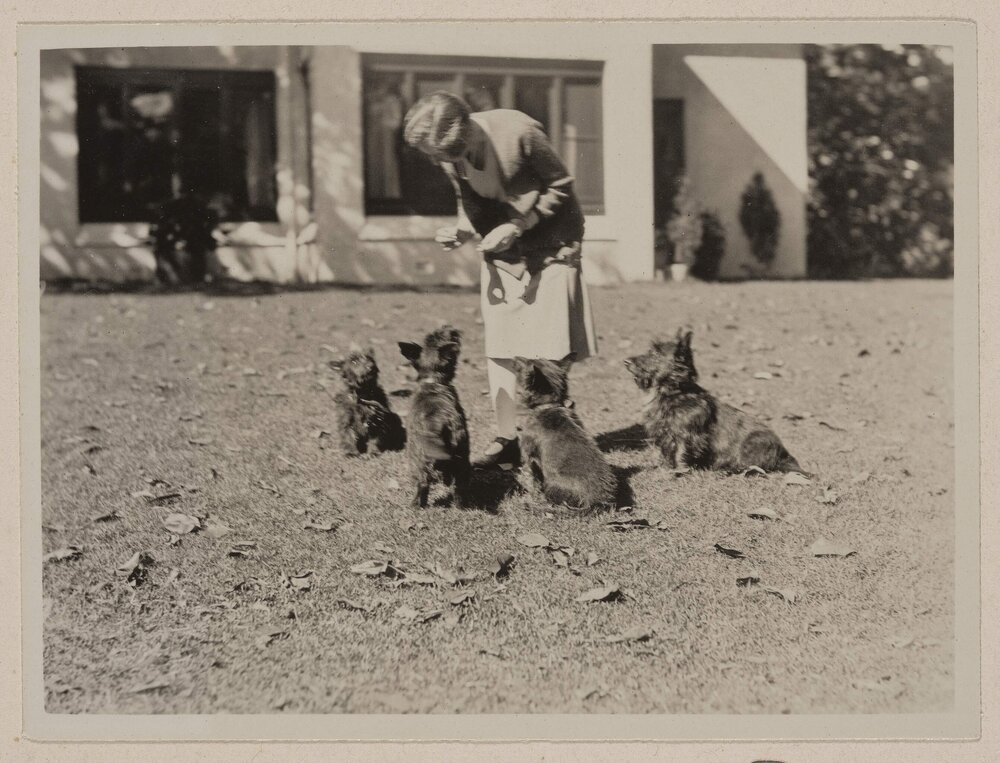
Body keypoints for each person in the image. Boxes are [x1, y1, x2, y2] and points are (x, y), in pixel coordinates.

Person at [402, 91, 598, 470]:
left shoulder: (518, 131)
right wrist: (462, 230)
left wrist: (519, 224)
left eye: (442, 155)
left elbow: (560, 185)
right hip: (502, 249)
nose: (439, 163)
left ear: (461, 134)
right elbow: (466, 196)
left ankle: (556, 437)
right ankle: (507, 438)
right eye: (435, 157)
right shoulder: (449, 156)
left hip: (552, 242)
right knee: (501, 346)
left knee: (549, 349)